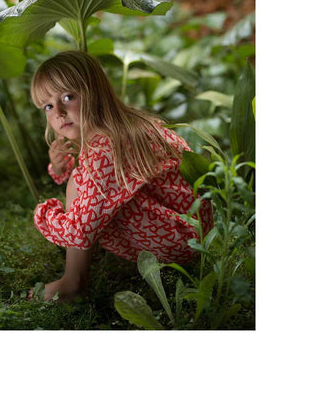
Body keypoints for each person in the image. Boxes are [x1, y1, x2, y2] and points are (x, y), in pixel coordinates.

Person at [29, 50, 213, 302]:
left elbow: (80, 230)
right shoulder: (120, 125)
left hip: (181, 241)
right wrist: (60, 169)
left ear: (93, 92)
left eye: (68, 97)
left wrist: (45, 215)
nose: (58, 112)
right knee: (84, 184)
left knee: (80, 186)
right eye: (48, 106)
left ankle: (73, 283)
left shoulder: (104, 146)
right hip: (194, 232)